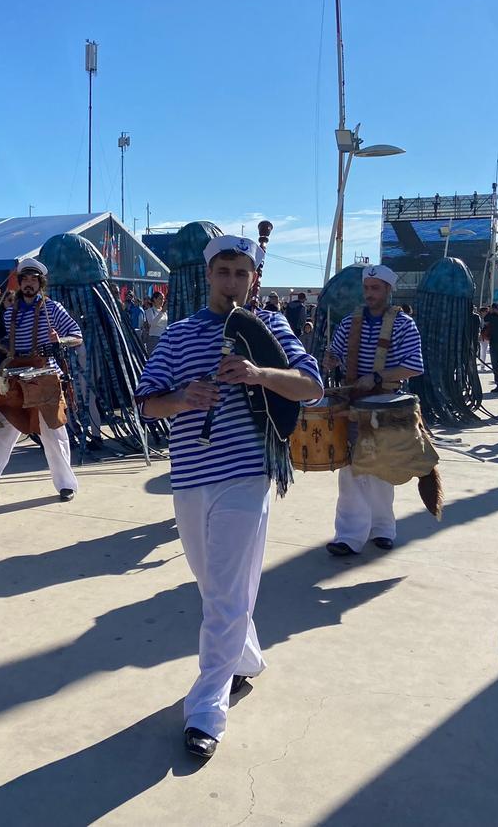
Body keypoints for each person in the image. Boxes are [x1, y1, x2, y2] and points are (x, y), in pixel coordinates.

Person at [134, 235, 322, 759]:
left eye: (242, 274)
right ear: (208, 275)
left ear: (253, 278)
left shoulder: (272, 327)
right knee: (213, 583)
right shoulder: (178, 335)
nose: (233, 282)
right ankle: (246, 660)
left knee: (224, 594)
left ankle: (205, 710)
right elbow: (147, 404)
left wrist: (261, 374)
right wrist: (181, 398)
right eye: (224, 272)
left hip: (247, 474)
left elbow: (312, 386)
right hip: (191, 476)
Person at [322, 265, 425, 555]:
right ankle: (348, 536)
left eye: (375, 289)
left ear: (388, 291)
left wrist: (379, 377)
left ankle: (382, 529)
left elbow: (414, 366)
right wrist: (330, 360)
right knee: (352, 469)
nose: (369, 294)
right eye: (367, 288)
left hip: (387, 405)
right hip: (353, 403)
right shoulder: (348, 323)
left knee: (382, 468)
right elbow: (336, 355)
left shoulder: (404, 324)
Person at [0, 259, 81, 503]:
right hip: (17, 380)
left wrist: (60, 341)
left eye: (33, 280)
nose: (29, 284)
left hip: (46, 378)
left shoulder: (54, 309)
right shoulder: (10, 314)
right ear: (19, 283)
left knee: (53, 432)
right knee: (3, 432)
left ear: (41, 283)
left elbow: (77, 336)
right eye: (25, 279)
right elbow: (13, 349)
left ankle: (66, 485)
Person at [141, 290, 168, 356]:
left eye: (163, 299)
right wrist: (162, 312)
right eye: (160, 299)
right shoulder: (149, 311)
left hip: (164, 339)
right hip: (154, 339)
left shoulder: (165, 312)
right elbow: (152, 323)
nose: (162, 301)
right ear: (154, 299)